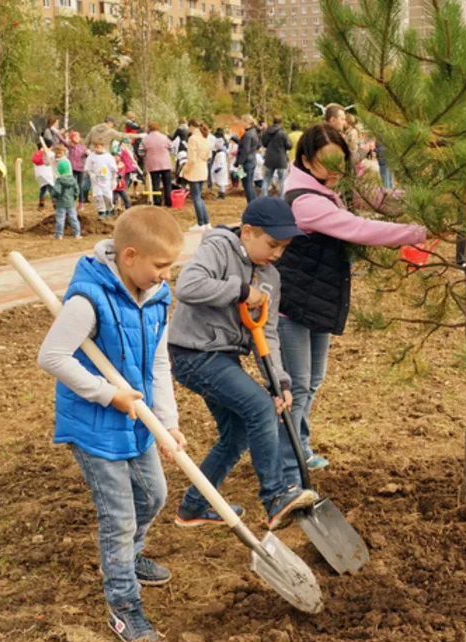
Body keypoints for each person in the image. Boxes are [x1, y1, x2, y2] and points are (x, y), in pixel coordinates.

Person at [36, 206, 187, 642]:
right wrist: (108, 394)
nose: (166, 275)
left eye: (170, 267)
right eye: (160, 266)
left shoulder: (157, 296)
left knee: (155, 495)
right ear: (129, 256)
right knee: (118, 517)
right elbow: (52, 356)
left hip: (135, 418)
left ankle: (127, 556)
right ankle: (122, 604)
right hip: (94, 424)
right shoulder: (89, 299)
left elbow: (158, 361)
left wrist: (167, 422)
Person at [276, 124, 428, 477]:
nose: (334, 170)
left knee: (312, 380)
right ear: (306, 160)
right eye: (325, 163)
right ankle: (287, 464)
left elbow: (377, 199)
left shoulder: (330, 187)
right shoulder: (306, 200)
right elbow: (359, 227)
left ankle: (300, 446)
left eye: (340, 162)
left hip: (318, 296)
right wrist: (418, 232)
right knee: (295, 386)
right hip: (292, 302)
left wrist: (426, 202)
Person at [168, 198, 319, 530]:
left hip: (223, 357)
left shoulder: (270, 277)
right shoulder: (219, 247)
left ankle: (194, 504)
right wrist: (239, 290)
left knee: (236, 436)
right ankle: (275, 496)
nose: (277, 254)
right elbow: (188, 286)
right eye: (272, 244)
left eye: (284, 248)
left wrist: (279, 381)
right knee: (260, 409)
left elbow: (267, 333)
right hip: (193, 353)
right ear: (247, 232)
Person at [183, 122, 213, 231]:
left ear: (192, 128)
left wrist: (185, 169)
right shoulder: (206, 139)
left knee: (196, 197)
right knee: (199, 197)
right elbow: (209, 155)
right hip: (203, 168)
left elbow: (191, 159)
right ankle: (207, 222)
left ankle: (200, 223)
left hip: (194, 170)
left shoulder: (193, 139)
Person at [48, 159, 82, 240]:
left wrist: (54, 197)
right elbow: (77, 190)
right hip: (71, 203)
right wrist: (74, 197)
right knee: (74, 218)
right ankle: (77, 234)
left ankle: (59, 235)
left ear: (59, 170)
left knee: (60, 219)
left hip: (61, 203)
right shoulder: (73, 180)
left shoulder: (59, 180)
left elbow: (56, 190)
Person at [85, 139, 119, 219]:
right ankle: (101, 211)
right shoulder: (91, 156)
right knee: (98, 196)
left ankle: (109, 209)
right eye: (95, 146)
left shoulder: (108, 156)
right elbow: (88, 168)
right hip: (96, 180)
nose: (97, 147)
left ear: (102, 146)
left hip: (107, 179)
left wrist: (114, 179)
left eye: (99, 146)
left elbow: (114, 169)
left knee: (107, 196)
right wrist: (91, 174)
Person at [142, 122, 174, 208]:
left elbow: (140, 152)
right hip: (165, 163)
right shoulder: (164, 137)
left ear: (149, 128)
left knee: (155, 184)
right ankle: (168, 202)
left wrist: (147, 154)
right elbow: (171, 149)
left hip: (153, 164)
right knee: (167, 184)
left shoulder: (145, 139)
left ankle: (157, 202)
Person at [261, 117, 294, 197]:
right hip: (281, 159)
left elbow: (264, 143)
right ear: (281, 122)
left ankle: (264, 197)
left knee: (266, 179)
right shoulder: (283, 133)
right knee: (283, 180)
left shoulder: (267, 132)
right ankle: (281, 199)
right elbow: (289, 146)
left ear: (273, 122)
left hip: (269, 158)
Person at [237, 115, 262, 203]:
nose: (240, 123)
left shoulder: (248, 134)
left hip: (245, 162)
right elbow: (257, 145)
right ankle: (253, 203)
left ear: (246, 122)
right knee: (249, 184)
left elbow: (245, 150)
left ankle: (251, 204)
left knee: (247, 185)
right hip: (251, 160)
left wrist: (239, 163)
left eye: (241, 121)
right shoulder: (253, 132)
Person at [68, 132, 91, 209]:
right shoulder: (70, 146)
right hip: (72, 168)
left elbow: (88, 154)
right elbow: (62, 140)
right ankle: (71, 202)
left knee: (80, 186)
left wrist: (88, 154)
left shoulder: (82, 147)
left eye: (78, 137)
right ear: (72, 138)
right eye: (75, 137)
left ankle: (81, 203)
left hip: (81, 169)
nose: (77, 138)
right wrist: (55, 131)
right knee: (73, 185)